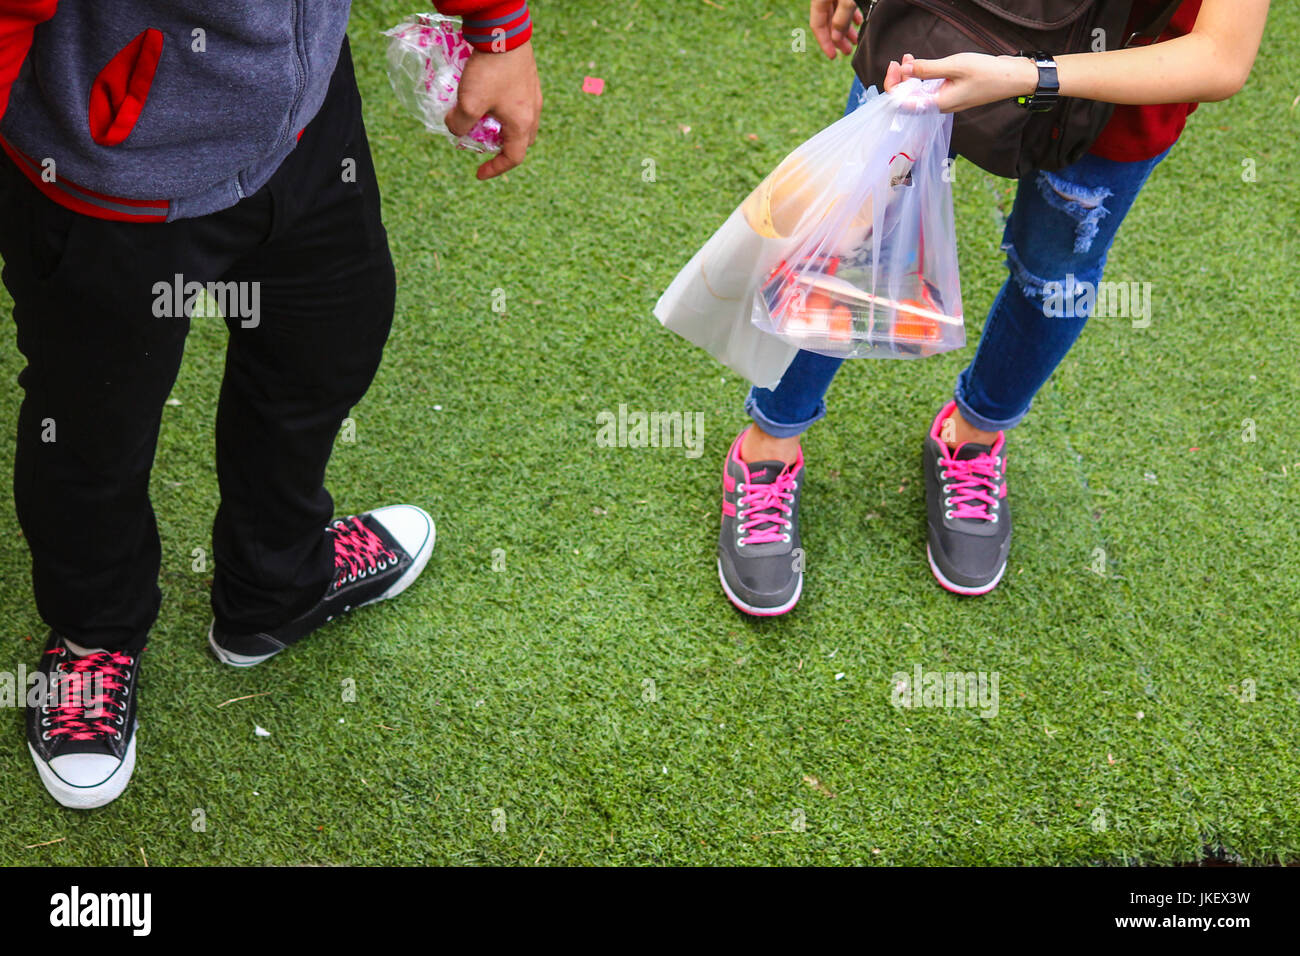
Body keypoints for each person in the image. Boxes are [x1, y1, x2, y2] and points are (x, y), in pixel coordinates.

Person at [0, 0, 542, 808]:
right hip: (106, 174)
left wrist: (497, 26)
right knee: (89, 429)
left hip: (305, 123)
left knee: (333, 338)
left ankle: (276, 584)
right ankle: (95, 638)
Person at [717, 0, 1268, 615]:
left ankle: (971, 440)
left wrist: (1031, 77)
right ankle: (769, 446)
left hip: (1118, 96)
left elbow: (1222, 54)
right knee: (852, 240)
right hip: (936, 29)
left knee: (1053, 280)